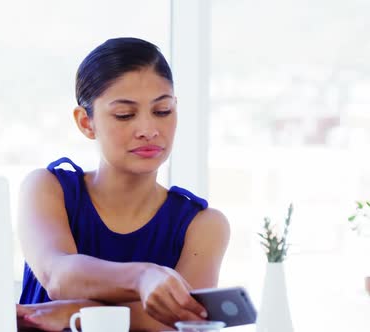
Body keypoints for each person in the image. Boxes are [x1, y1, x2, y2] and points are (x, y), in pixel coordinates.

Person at [15, 37, 230, 331]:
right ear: (85, 123)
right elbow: (58, 276)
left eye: (162, 111)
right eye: (125, 115)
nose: (148, 130)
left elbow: (182, 320)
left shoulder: (203, 225)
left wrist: (75, 312)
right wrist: (143, 278)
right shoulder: (48, 188)